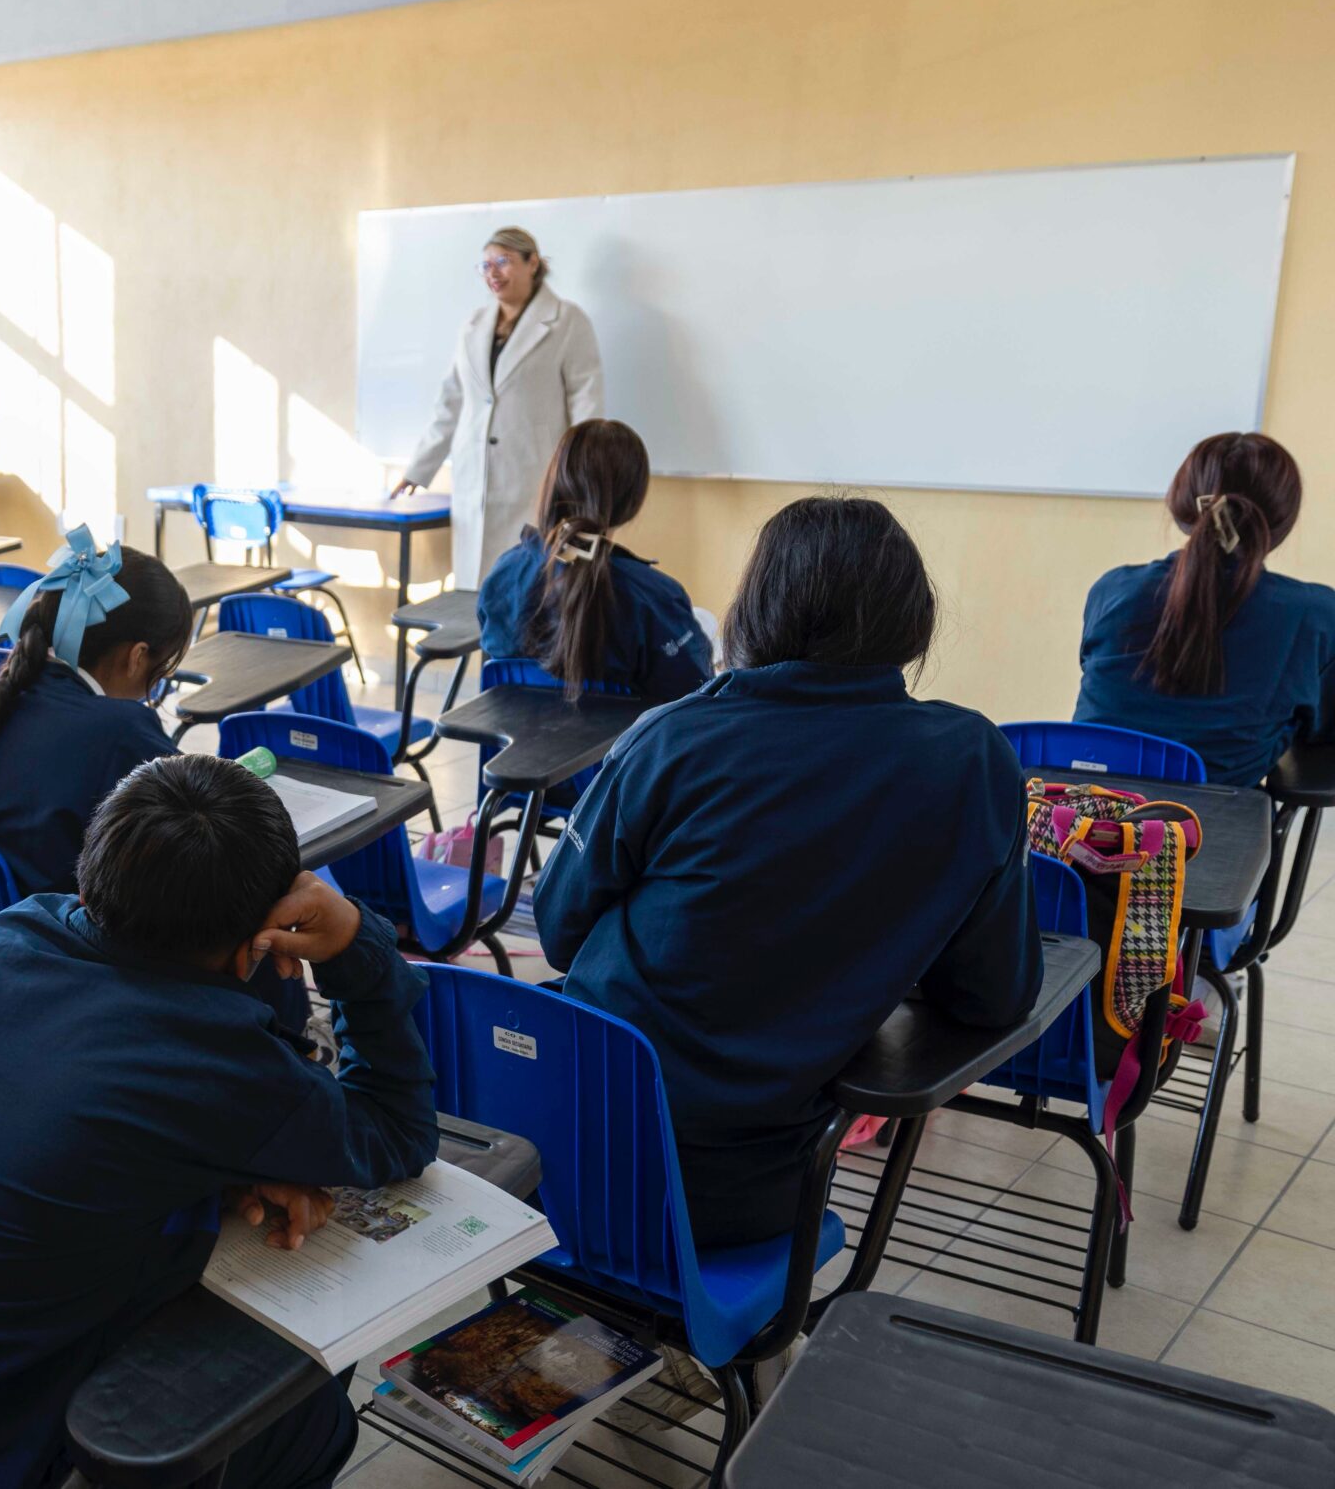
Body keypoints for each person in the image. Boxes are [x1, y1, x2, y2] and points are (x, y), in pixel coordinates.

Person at [0, 754, 439, 1489]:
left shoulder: (12, 932)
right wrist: (357, 946)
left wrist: (236, 1160)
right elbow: (398, 1128)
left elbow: (68, 1111)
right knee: (309, 1415)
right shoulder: (217, 1056)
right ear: (252, 949)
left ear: (92, 876)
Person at [533, 496, 1040, 1248]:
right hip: (741, 1200)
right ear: (914, 617)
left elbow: (558, 929)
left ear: (753, 607)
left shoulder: (673, 739)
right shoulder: (972, 759)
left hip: (560, 1160)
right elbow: (996, 995)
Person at [0, 529, 189, 894]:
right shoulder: (122, 731)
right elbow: (201, 836)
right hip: (44, 947)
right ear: (138, 657)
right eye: (162, 672)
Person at [1074, 432, 1333, 787]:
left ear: (1181, 504)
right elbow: (1322, 732)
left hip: (1081, 825)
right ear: (1281, 522)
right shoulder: (1313, 616)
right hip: (1215, 834)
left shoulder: (1113, 590)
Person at [392, 226, 603, 588]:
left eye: (502, 262)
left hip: (534, 475)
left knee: (529, 589)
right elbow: (451, 401)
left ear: (532, 262)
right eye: (485, 265)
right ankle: (477, 648)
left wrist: (580, 479)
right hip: (474, 478)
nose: (492, 273)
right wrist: (418, 468)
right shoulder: (474, 325)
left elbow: (586, 402)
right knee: (475, 592)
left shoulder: (567, 321)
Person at [477, 419, 710, 703]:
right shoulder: (654, 598)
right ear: (633, 500)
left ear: (555, 481)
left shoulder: (503, 576)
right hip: (619, 749)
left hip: (515, 746)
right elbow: (694, 700)